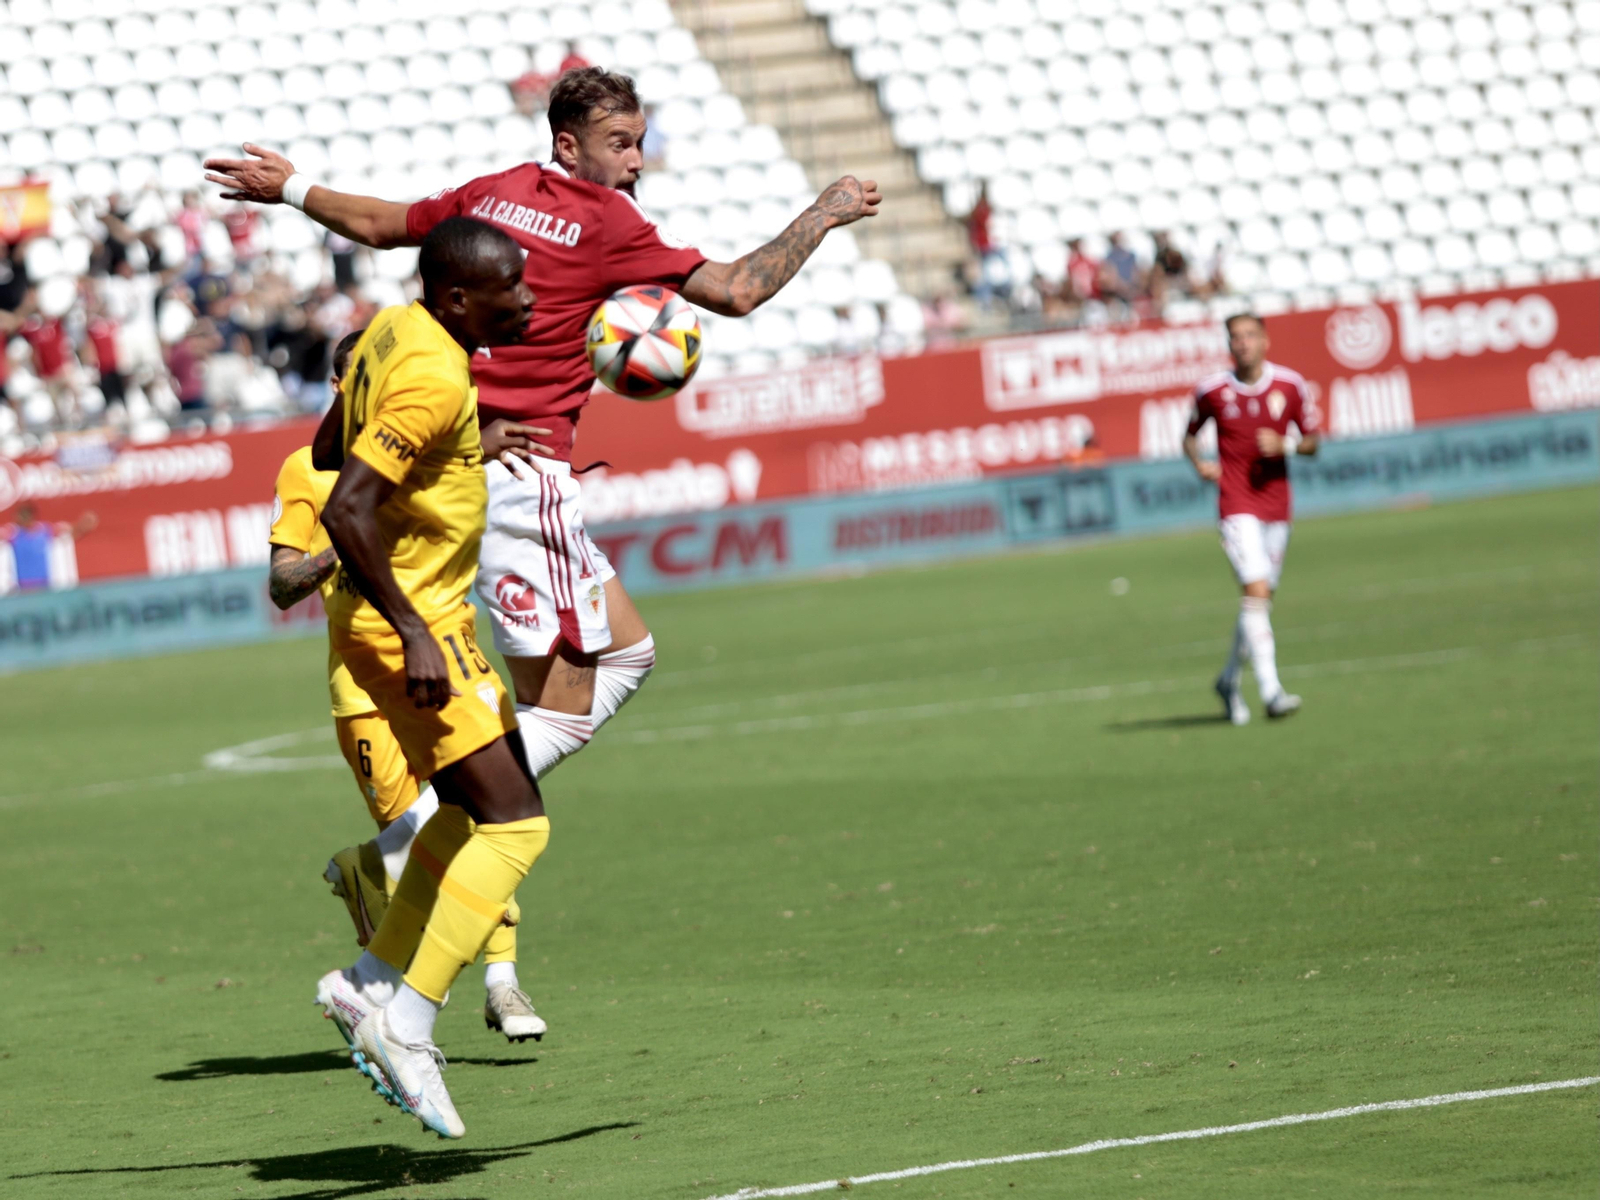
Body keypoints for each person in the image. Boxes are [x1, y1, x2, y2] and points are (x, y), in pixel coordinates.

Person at [205, 66, 879, 824]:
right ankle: (413, 844)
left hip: (454, 465)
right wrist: (824, 214)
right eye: (620, 144)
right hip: (523, 478)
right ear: (568, 144)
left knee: (625, 656)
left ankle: (426, 839)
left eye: (641, 143)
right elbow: (735, 291)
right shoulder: (607, 222)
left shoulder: (492, 193)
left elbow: (380, 224)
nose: (635, 161)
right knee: (562, 706)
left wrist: (292, 189)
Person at [305, 217, 538, 1138]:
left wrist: (463, 435)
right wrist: (414, 631)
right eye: (510, 288)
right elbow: (345, 503)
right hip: (417, 625)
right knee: (518, 828)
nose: (525, 298)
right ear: (457, 299)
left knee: (469, 811)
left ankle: (365, 981)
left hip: (423, 618)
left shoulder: (400, 329)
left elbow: (332, 444)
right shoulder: (433, 370)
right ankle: (406, 1019)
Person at [268, 329, 546, 1046]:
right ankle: (378, 908)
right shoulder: (307, 468)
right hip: (363, 682)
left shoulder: (422, 441)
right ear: (343, 391)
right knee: (423, 834)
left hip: (444, 655)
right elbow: (281, 582)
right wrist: (350, 536)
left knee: (489, 814)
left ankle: (502, 980)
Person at [1183, 314, 1322, 725]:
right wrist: (1200, 464)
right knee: (1256, 589)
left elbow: (1314, 441)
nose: (1242, 343)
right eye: (1235, 337)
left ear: (1265, 341)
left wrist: (1287, 444)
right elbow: (1189, 435)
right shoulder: (1212, 390)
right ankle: (1271, 691)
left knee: (1259, 602)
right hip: (1235, 503)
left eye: (1248, 336)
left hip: (1276, 506)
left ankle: (1228, 680)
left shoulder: (1290, 385)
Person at [1, 503, 96, 592]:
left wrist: (83, 525)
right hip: (23, 588)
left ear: (30, 517)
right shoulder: (13, 532)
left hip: (44, 586)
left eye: (22, 516)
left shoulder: (45, 529)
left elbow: (71, 532)